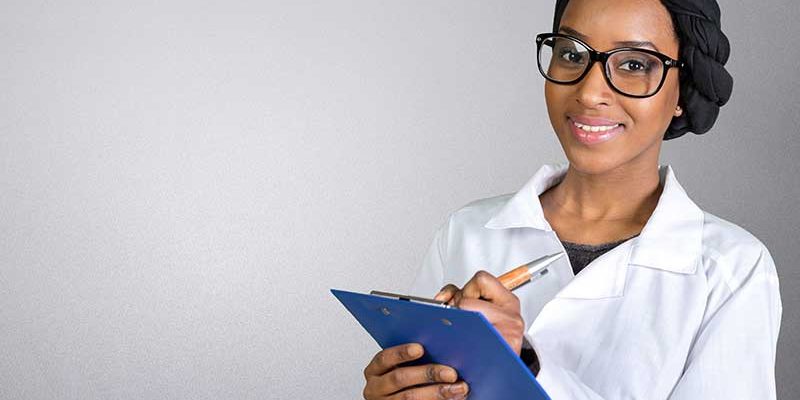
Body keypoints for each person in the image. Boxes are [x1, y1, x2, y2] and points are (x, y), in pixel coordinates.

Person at [361, 0, 783, 398]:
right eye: (572, 54)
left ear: (683, 89)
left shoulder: (732, 270)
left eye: (634, 64)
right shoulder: (465, 232)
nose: (588, 91)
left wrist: (524, 365)